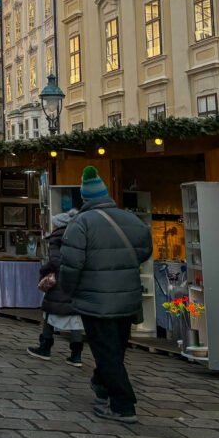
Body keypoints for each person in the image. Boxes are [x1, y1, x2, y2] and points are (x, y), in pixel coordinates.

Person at [59, 166, 152, 423]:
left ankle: (123, 404)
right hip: (128, 296)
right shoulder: (131, 219)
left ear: (84, 198)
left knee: (105, 350)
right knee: (117, 347)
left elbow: (71, 263)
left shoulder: (82, 223)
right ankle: (102, 384)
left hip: (96, 298)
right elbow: (144, 252)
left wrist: (68, 290)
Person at [26, 211, 85, 367]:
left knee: (49, 312)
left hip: (60, 281)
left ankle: (45, 347)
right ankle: (76, 355)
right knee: (75, 317)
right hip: (77, 281)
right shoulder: (80, 235)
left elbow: (55, 261)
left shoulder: (56, 237)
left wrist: (44, 270)